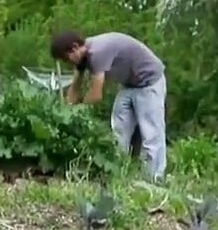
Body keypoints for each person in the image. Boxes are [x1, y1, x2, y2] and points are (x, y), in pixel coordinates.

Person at [49, 31, 167, 180]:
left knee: (151, 132)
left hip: (149, 81)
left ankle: (155, 177)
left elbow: (96, 94)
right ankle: (119, 173)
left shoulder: (97, 52)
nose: (68, 63)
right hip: (129, 85)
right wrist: (65, 112)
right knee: (119, 130)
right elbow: (75, 87)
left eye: (66, 58)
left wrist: (77, 112)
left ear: (74, 47)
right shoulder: (82, 57)